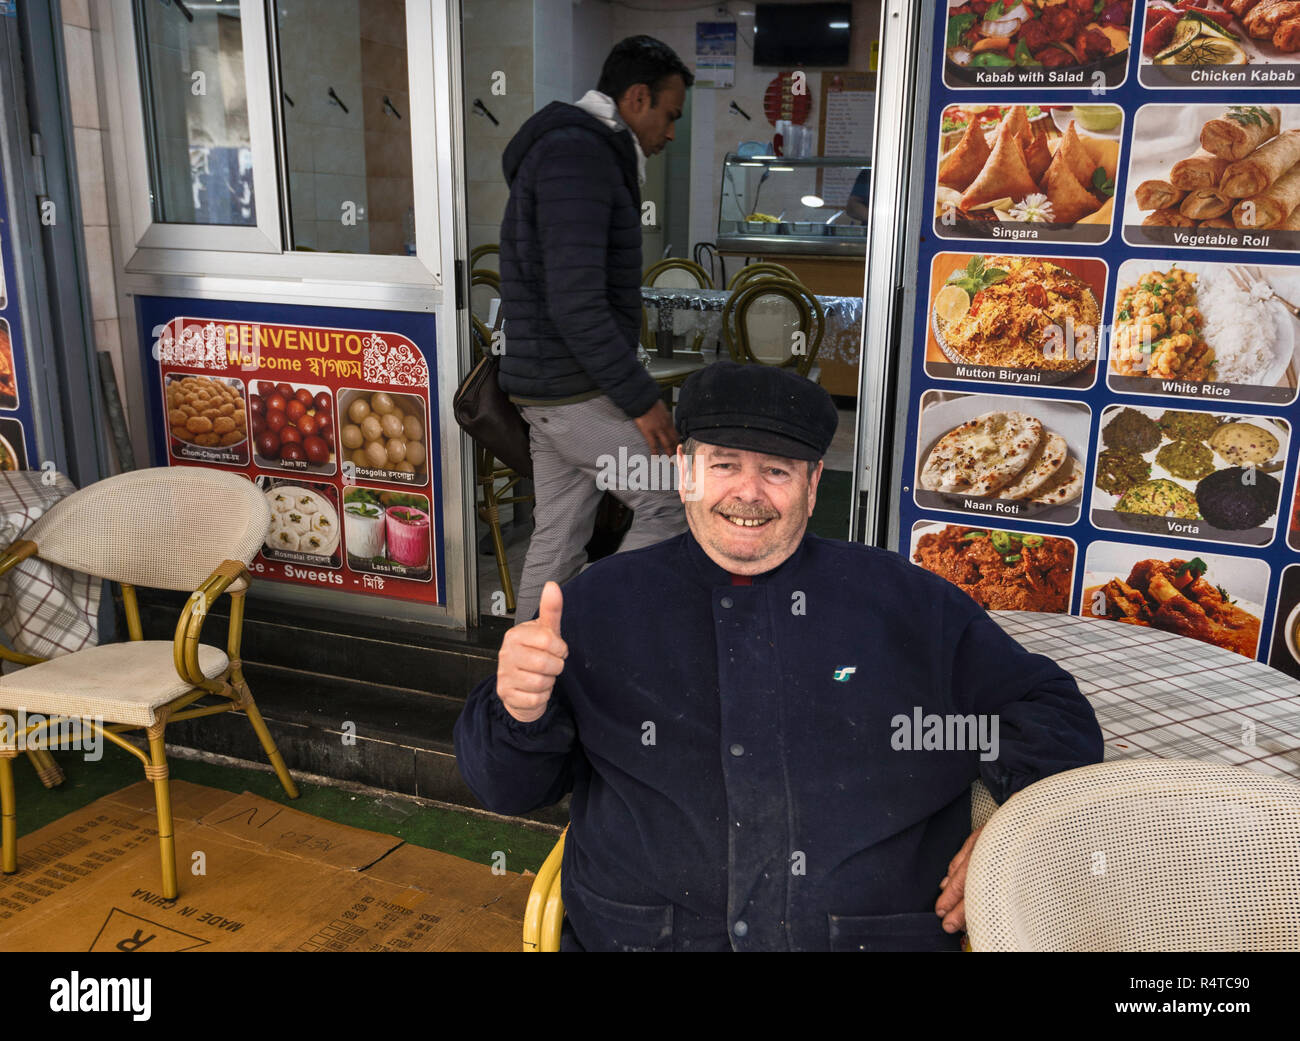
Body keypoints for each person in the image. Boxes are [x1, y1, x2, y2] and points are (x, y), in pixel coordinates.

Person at [454, 361, 1104, 951]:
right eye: (724, 464)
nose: (749, 492)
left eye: (777, 471)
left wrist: (1015, 828)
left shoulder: (906, 600)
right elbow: (506, 786)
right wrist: (519, 712)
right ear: (684, 472)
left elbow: (1052, 711)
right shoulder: (597, 604)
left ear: (814, 484)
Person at [497, 36, 694, 623]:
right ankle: (599, 628)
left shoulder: (578, 151)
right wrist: (641, 400)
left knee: (558, 533)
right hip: (572, 389)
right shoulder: (578, 157)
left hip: (553, 389)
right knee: (671, 504)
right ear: (637, 98)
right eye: (670, 115)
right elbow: (576, 302)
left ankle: (528, 663)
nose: (671, 133)